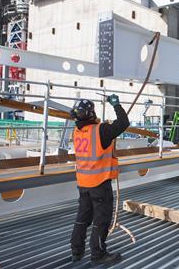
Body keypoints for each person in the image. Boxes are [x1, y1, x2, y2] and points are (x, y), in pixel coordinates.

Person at [70, 94, 129, 266]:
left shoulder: (77, 131)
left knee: (82, 217)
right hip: (99, 184)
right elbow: (123, 123)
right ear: (90, 114)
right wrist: (116, 105)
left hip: (83, 183)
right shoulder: (101, 130)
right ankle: (98, 254)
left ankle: (76, 251)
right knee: (101, 220)